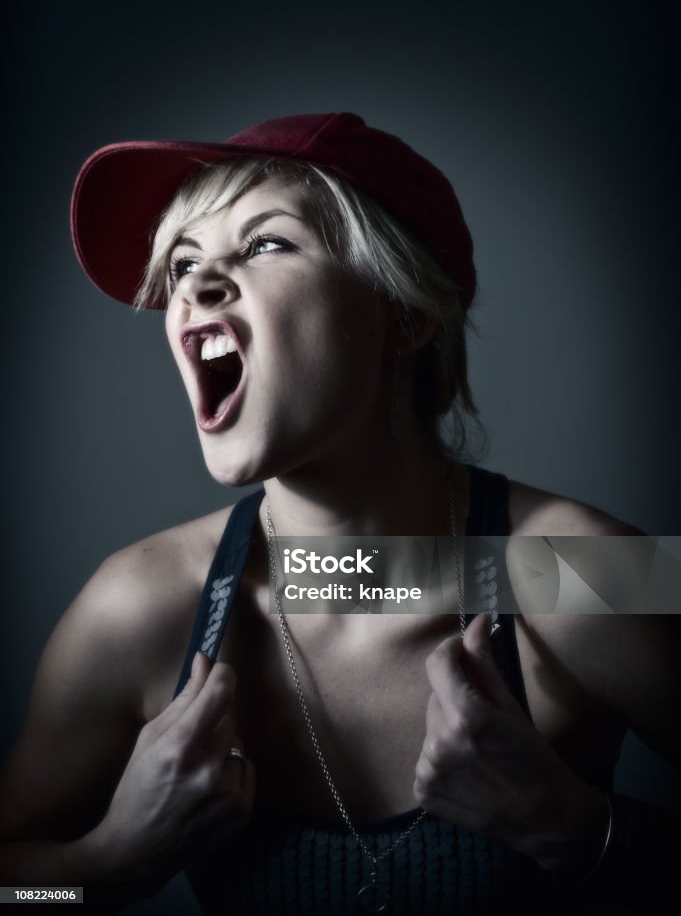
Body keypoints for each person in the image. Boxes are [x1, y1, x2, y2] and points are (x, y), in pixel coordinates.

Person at [0, 113, 678, 914]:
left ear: (404, 315)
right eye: (183, 262)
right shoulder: (140, 606)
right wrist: (111, 864)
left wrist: (571, 829)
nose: (194, 285)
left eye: (266, 244)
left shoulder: (589, 570)